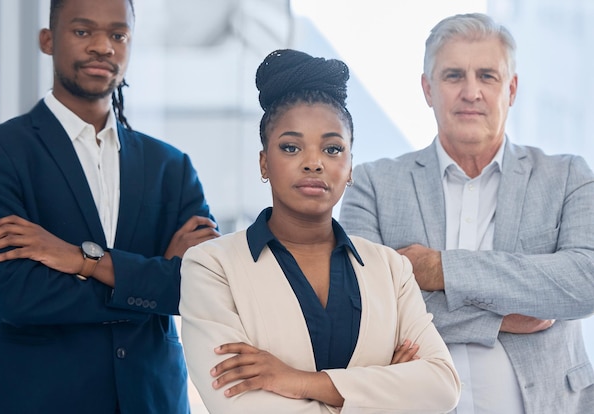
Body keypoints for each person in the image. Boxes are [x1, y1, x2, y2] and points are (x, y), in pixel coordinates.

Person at [0, 0, 220, 412]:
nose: (103, 47)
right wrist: (150, 282)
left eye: (118, 35)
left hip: (150, 399)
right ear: (47, 40)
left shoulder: (171, 167)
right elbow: (18, 297)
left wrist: (79, 260)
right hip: (34, 400)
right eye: (83, 32)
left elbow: (199, 288)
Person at [179, 48, 460, 414]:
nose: (313, 163)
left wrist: (299, 382)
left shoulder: (390, 269)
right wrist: (387, 388)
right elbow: (242, 406)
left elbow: (442, 387)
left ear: (351, 166)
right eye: (291, 147)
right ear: (264, 162)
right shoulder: (211, 267)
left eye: (332, 148)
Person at [339, 12, 594, 414]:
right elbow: (361, 307)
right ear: (428, 88)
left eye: (487, 76)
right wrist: (495, 320)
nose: (471, 91)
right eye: (454, 75)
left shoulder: (567, 177)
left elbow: (584, 282)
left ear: (511, 89)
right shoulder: (371, 184)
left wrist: (438, 269)